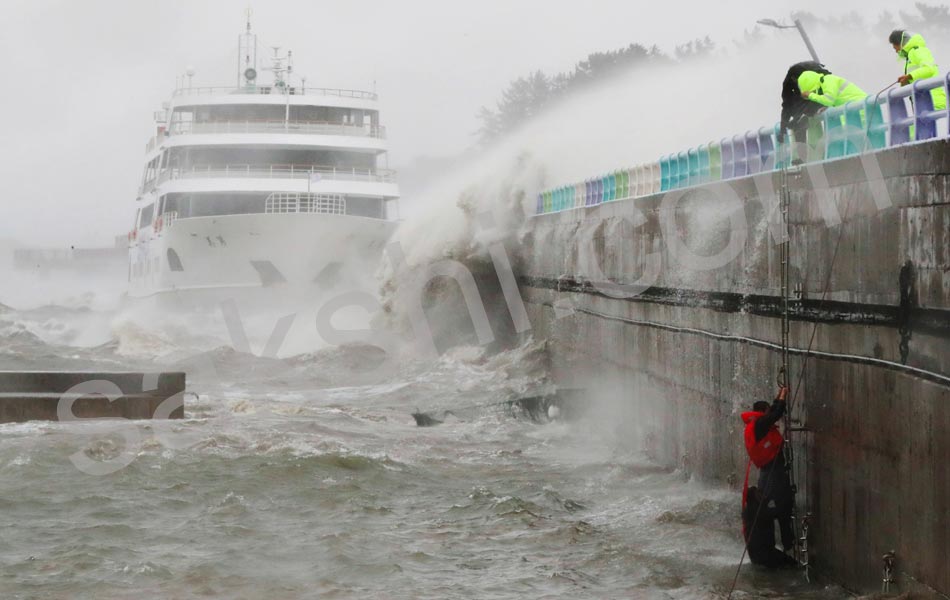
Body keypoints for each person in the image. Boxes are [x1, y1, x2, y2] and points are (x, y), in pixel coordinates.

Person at [741, 385, 795, 553]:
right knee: (779, 506)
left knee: (778, 504)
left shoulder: (757, 424)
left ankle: (785, 543)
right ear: (763, 412)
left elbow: (772, 412)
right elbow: (776, 414)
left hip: (769, 472)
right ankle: (785, 543)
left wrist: (779, 395)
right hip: (772, 472)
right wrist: (784, 395)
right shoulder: (761, 423)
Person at [890, 30, 947, 110]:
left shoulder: (918, 50)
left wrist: (909, 76)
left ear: (901, 43)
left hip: (934, 102)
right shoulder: (910, 57)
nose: (896, 51)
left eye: (895, 48)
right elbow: (916, 78)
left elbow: (929, 69)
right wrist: (906, 82)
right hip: (923, 104)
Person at [743, 486, 799, 568]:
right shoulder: (757, 511)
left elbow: (767, 503)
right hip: (764, 554)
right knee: (793, 565)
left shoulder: (751, 509)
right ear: (754, 497)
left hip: (759, 553)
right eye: (758, 493)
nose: (762, 495)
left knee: (790, 564)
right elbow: (775, 512)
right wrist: (788, 496)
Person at [779, 61, 830, 144]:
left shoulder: (816, 74)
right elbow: (786, 105)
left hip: (823, 93)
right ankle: (801, 150)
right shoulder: (789, 83)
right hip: (807, 95)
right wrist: (783, 126)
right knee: (797, 123)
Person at [798, 71, 868, 108]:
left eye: (813, 91)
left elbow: (829, 100)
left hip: (861, 108)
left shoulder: (828, 80)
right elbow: (838, 99)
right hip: (856, 109)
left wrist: (810, 95)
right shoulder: (824, 83)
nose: (815, 93)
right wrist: (829, 107)